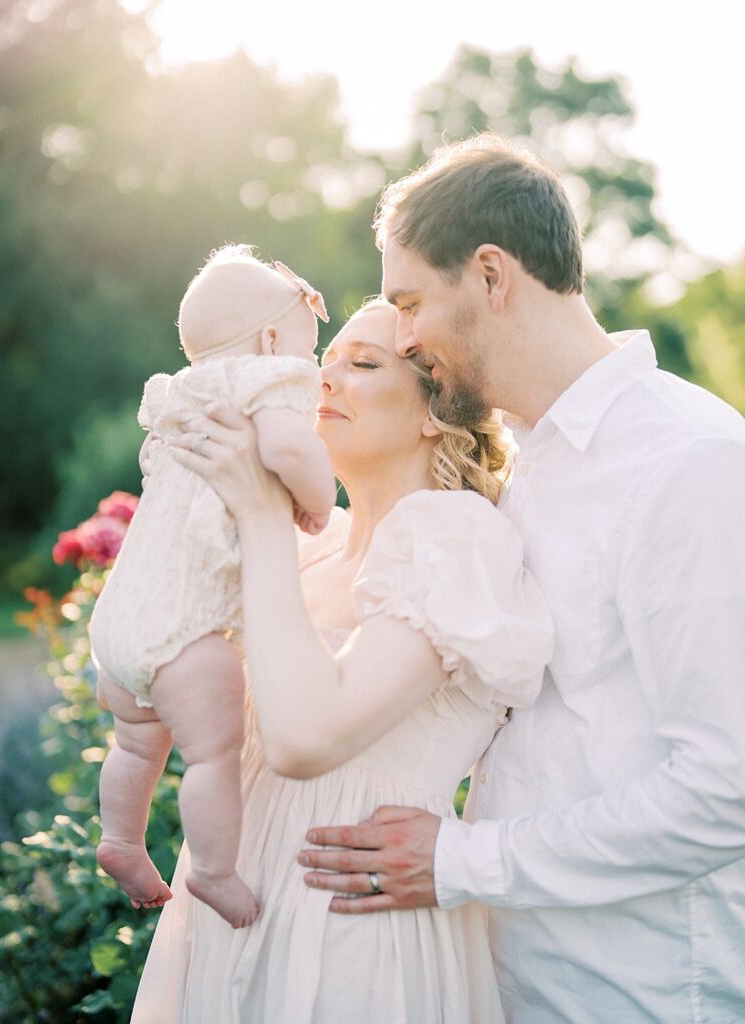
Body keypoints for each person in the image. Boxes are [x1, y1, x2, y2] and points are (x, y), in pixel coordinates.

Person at [296, 134, 745, 1023]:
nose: (409, 339)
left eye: (412, 302)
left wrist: (461, 861)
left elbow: (725, 789)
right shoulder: (527, 470)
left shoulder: (688, 462)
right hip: (508, 980)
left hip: (638, 994)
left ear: (493, 277)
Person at [129, 297, 554, 1022]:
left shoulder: (454, 540)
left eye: (362, 365)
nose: (322, 382)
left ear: (435, 409)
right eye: (322, 363)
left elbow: (304, 739)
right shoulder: (313, 541)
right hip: (231, 900)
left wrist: (259, 512)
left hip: (350, 918)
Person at [89, 244, 336, 928]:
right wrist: (317, 498)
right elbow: (291, 450)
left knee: (136, 744)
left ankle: (120, 840)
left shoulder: (178, 394)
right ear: (272, 341)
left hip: (123, 617)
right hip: (186, 628)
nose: (310, 368)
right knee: (212, 755)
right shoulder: (268, 380)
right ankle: (217, 872)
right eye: (310, 350)